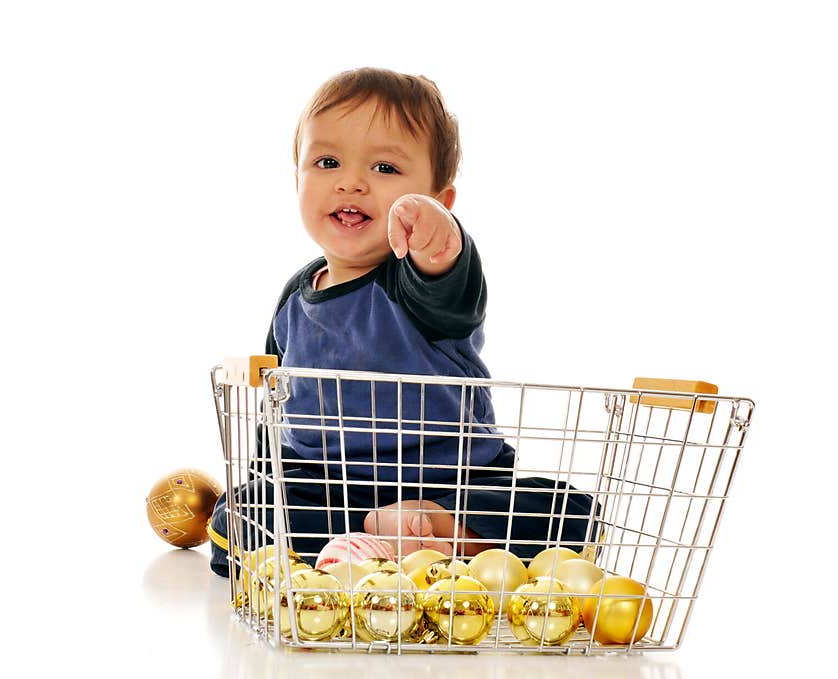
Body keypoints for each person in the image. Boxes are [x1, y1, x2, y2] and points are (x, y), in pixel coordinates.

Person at [209, 67, 598, 578]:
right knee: (238, 514)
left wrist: (434, 230)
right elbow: (279, 401)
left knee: (571, 515)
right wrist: (265, 476)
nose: (351, 181)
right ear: (297, 178)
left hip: (454, 480)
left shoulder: (418, 279)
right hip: (332, 486)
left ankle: (438, 529)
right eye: (327, 162)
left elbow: (446, 269)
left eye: (386, 169)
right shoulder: (293, 299)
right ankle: (377, 531)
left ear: (440, 199)